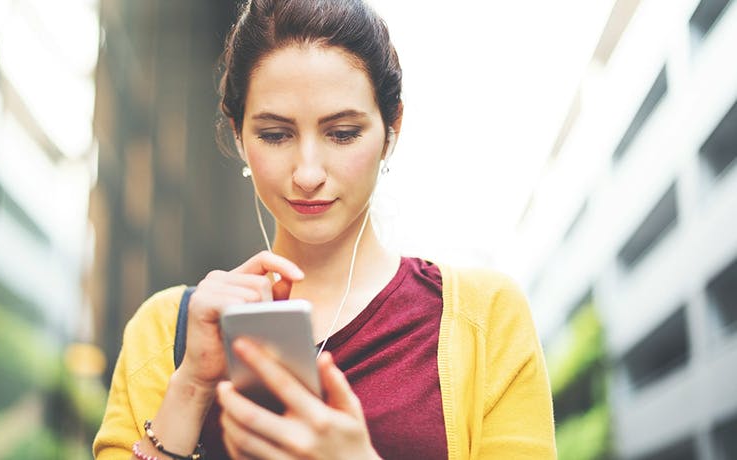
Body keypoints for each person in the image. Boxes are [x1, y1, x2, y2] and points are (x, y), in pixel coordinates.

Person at [94, 0, 556, 458]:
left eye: (342, 133)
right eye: (275, 135)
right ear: (238, 133)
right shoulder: (167, 329)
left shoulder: (483, 318)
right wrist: (192, 387)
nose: (308, 173)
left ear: (391, 127)